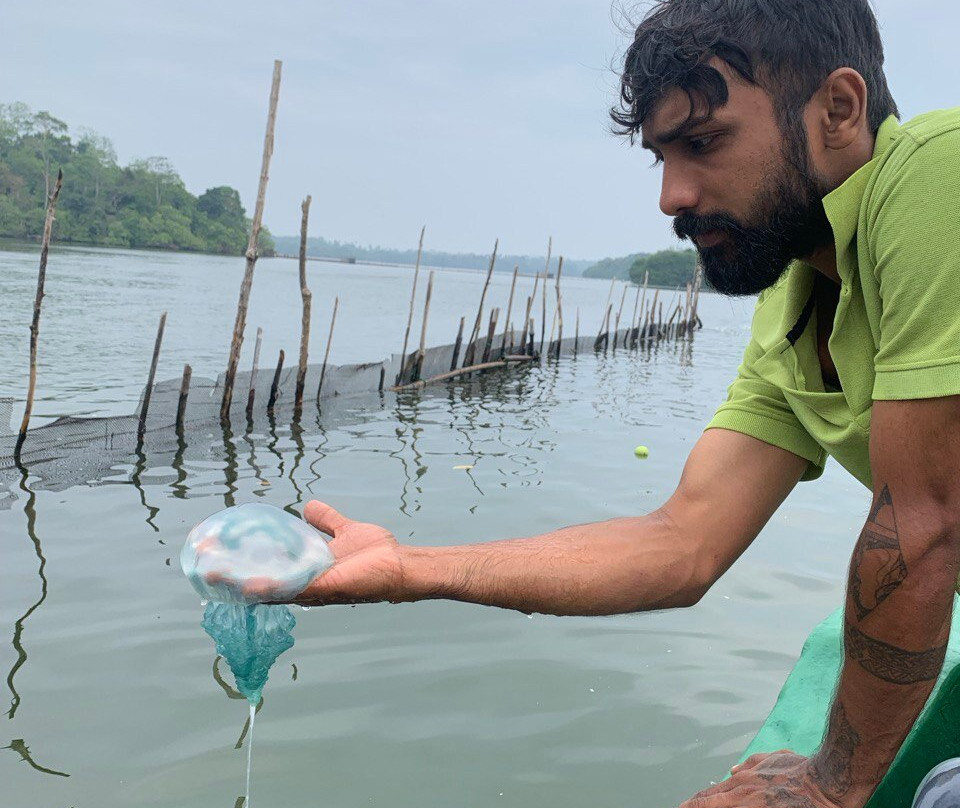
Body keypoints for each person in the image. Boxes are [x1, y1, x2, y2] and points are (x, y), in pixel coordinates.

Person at [267, 1, 960, 805]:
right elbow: (682, 542)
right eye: (660, 156)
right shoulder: (793, 308)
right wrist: (411, 568)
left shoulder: (937, 174)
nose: (671, 196)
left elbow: (923, 527)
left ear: (838, 110)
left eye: (703, 143)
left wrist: (830, 785)